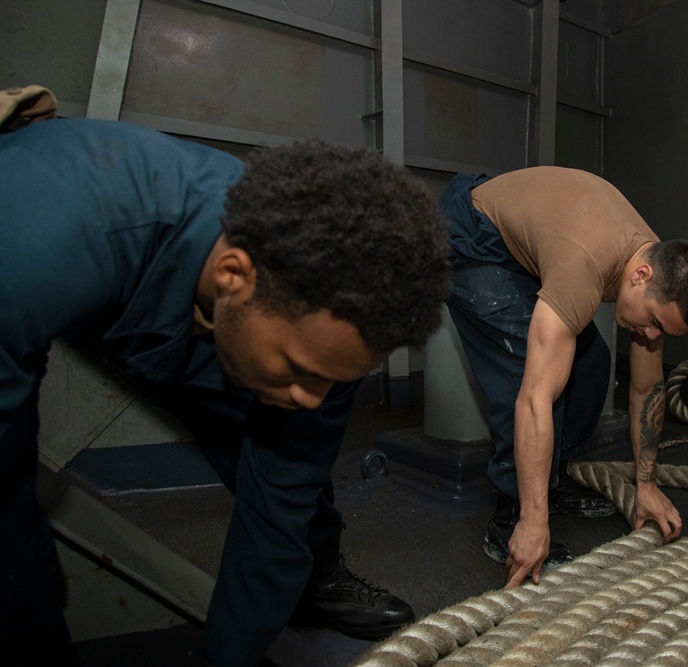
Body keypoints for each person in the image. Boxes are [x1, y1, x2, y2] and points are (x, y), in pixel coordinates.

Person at [0, 99, 451, 665]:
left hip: (203, 323)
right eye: (303, 371)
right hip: (69, 265)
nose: (312, 398)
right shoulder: (41, 237)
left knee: (287, 474)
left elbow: (278, 509)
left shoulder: (322, 339)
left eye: (335, 381)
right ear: (233, 275)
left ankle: (315, 585)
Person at [439, 166, 688, 588]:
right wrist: (535, 523)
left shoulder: (654, 267)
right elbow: (534, 398)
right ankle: (515, 516)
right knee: (527, 370)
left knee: (591, 364)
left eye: (663, 331)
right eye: (654, 322)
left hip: (534, 246)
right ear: (640, 276)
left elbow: (646, 386)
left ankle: (551, 479)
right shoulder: (584, 263)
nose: (650, 335)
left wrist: (646, 484)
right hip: (473, 236)